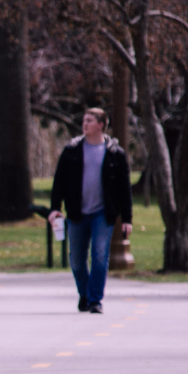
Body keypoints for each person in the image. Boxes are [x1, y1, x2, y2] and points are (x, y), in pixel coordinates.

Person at [48, 107, 133, 314]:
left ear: (101, 125)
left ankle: (95, 300)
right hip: (77, 212)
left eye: (89, 121)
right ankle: (84, 294)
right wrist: (54, 208)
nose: (84, 124)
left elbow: (124, 188)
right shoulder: (72, 150)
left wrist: (127, 219)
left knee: (99, 254)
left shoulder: (115, 153)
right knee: (76, 260)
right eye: (84, 120)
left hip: (103, 214)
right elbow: (59, 181)